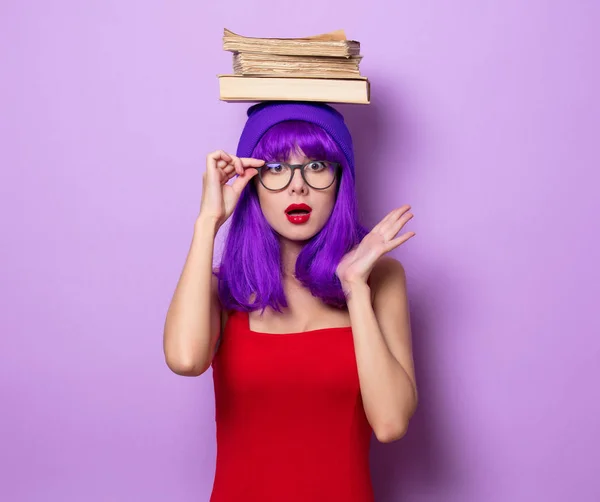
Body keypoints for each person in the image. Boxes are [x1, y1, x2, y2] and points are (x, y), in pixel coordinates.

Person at [163, 101, 418, 501]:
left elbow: (390, 423)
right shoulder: (221, 288)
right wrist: (207, 222)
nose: (297, 186)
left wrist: (354, 287)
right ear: (251, 182)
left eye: (316, 166)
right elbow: (184, 359)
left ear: (341, 180)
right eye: (276, 169)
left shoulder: (381, 280)